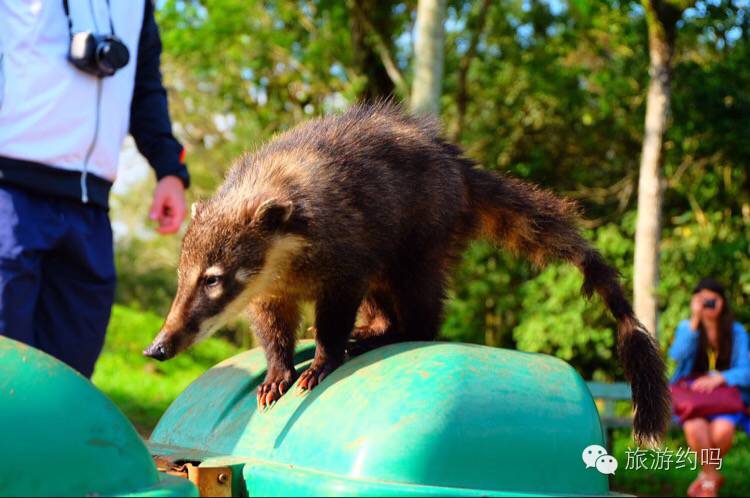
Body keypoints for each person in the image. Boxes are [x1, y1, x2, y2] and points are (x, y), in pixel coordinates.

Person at [0, 0, 189, 377]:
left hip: (90, 213)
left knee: (69, 377)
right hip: (10, 199)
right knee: (5, 367)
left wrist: (169, 169)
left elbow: (145, 85)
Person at [668, 278, 750, 498]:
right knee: (694, 428)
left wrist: (719, 378)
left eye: (713, 300)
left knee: (723, 432)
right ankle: (710, 482)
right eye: (703, 300)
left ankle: (706, 478)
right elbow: (676, 355)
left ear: (722, 302)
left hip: (724, 401)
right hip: (693, 401)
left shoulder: (736, 331)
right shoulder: (687, 327)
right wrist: (695, 321)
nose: (709, 305)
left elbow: (746, 370)